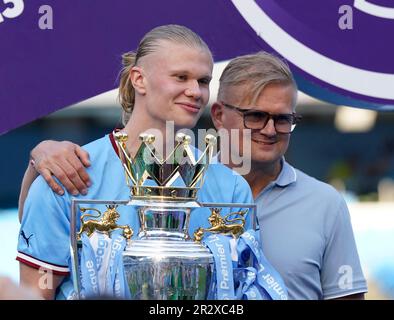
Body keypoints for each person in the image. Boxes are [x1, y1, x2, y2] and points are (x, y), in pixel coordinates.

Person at [19, 51, 368, 299]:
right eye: (255, 116)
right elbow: (40, 252)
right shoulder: (160, 180)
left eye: (283, 118)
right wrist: (37, 160)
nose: (270, 129)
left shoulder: (325, 203)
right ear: (218, 115)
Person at [16, 25, 255, 300]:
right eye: (181, 77)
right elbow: (34, 294)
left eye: (203, 81)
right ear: (139, 80)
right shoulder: (69, 173)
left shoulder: (232, 188)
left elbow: (242, 291)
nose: (195, 92)